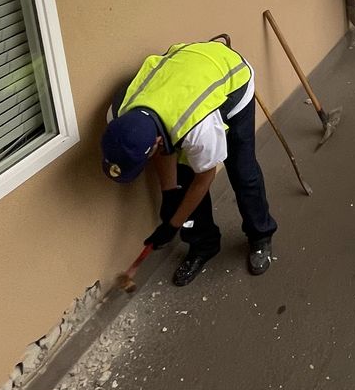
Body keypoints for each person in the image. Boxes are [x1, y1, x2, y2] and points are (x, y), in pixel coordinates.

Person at [101, 38, 276, 287]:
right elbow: (163, 150)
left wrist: (172, 225)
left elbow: (204, 178)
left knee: (242, 170)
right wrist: (170, 193)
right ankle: (203, 244)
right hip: (181, 79)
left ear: (157, 141)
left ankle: (261, 234)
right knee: (182, 182)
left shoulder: (199, 129)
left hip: (231, 80)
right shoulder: (117, 113)